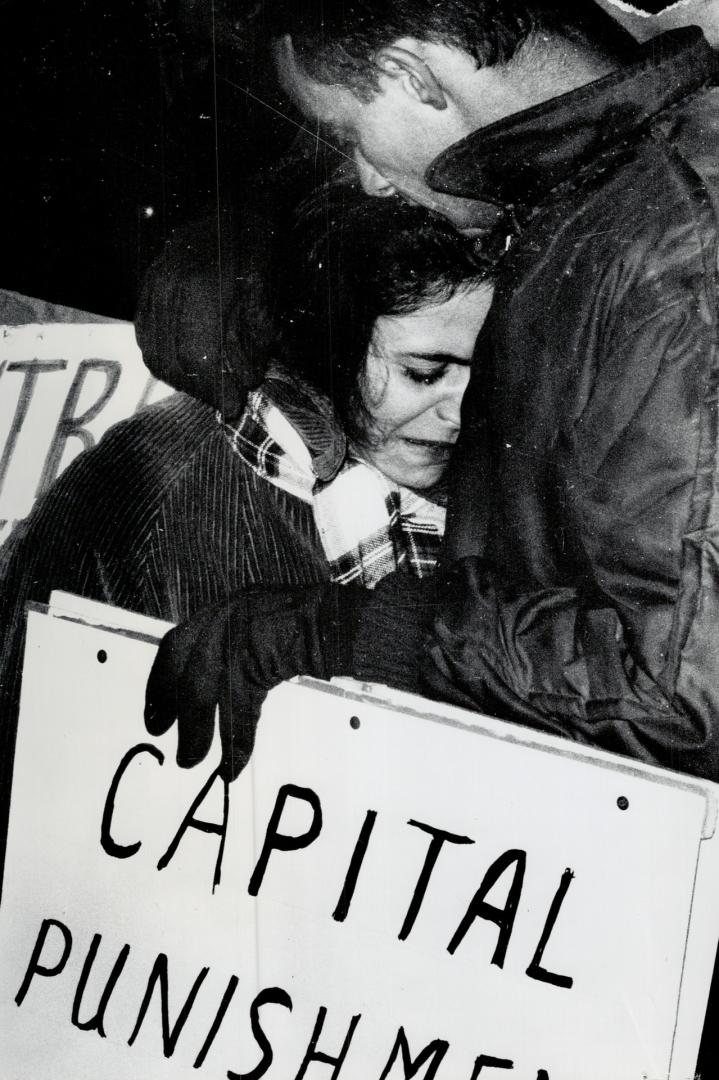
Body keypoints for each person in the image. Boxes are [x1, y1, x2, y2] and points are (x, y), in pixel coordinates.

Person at [146, 1, 719, 784]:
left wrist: (351, 631)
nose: (367, 180)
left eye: (349, 135)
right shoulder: (600, 184)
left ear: (410, 75)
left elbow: (676, 695)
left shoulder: (673, 244)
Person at [0, 196, 493, 871]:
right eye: (423, 373)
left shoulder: (431, 489)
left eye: (483, 373)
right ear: (328, 346)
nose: (460, 411)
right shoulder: (186, 492)